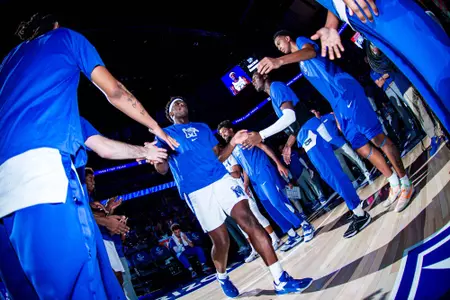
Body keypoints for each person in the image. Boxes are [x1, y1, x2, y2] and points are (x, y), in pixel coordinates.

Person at [0, 12, 176, 299]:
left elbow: (104, 147)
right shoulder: (63, 37)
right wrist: (156, 128)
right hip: (42, 175)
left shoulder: (10, 67)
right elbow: (115, 91)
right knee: (80, 289)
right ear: (55, 25)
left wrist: (143, 152)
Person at [153, 97, 312, 297]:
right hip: (196, 191)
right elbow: (162, 167)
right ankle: (222, 276)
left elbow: (219, 157)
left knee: (250, 221)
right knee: (221, 241)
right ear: (170, 114)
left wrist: (234, 142)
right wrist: (155, 158)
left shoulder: (202, 128)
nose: (180, 104)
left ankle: (280, 279)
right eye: (175, 105)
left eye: (182, 102)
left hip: (221, 179)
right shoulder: (166, 134)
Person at [255, 31, 414, 213]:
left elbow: (310, 52)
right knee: (360, 146)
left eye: (279, 43)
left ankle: (405, 182)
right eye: (276, 48)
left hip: (347, 92)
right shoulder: (301, 66)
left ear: (287, 38)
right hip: (338, 104)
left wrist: (279, 61)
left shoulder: (301, 42)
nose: (279, 48)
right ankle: (394, 182)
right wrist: (336, 112)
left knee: (377, 138)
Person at [245, 75, 371, 238]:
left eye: (254, 76)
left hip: (311, 132)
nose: (252, 81)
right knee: (330, 175)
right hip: (306, 134)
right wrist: (288, 146)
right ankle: (357, 209)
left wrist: (261, 134)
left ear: (265, 74)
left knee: (332, 174)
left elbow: (290, 117)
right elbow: (295, 122)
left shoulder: (276, 87)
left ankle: (360, 214)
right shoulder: (275, 94)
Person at [307, 0, 450, 134]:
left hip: (378, 9)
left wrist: (282, 61)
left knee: (435, 66)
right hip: (361, 18)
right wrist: (331, 24)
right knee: (429, 83)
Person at [218, 120, 314, 247]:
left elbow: (264, 147)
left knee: (278, 202)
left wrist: (279, 164)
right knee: (270, 208)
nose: (223, 135)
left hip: (264, 171)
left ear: (230, 129)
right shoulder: (233, 147)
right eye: (221, 134)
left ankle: (305, 225)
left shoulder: (245, 134)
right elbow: (245, 167)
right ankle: (292, 235)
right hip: (254, 180)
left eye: (224, 131)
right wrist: (246, 184)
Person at [367, 43, 444, 156]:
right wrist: (376, 53)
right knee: (419, 111)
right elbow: (382, 72)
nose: (374, 47)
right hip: (403, 85)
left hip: (413, 77)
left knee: (430, 104)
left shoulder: (389, 46)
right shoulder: (379, 61)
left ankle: (441, 129)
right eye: (372, 46)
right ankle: (433, 136)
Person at [223, 154, 283, 263]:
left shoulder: (229, 157)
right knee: (241, 224)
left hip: (242, 190)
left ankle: (275, 239)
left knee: (256, 215)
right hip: (231, 195)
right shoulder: (215, 164)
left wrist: (222, 174)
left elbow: (237, 174)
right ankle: (254, 249)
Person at [311, 109, 372, 186]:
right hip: (333, 149)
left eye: (315, 112)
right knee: (343, 166)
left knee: (354, 157)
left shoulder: (328, 116)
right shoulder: (315, 128)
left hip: (341, 143)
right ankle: (353, 182)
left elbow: (338, 117)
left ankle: (367, 173)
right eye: (312, 114)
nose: (314, 115)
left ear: (318, 112)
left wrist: (335, 117)